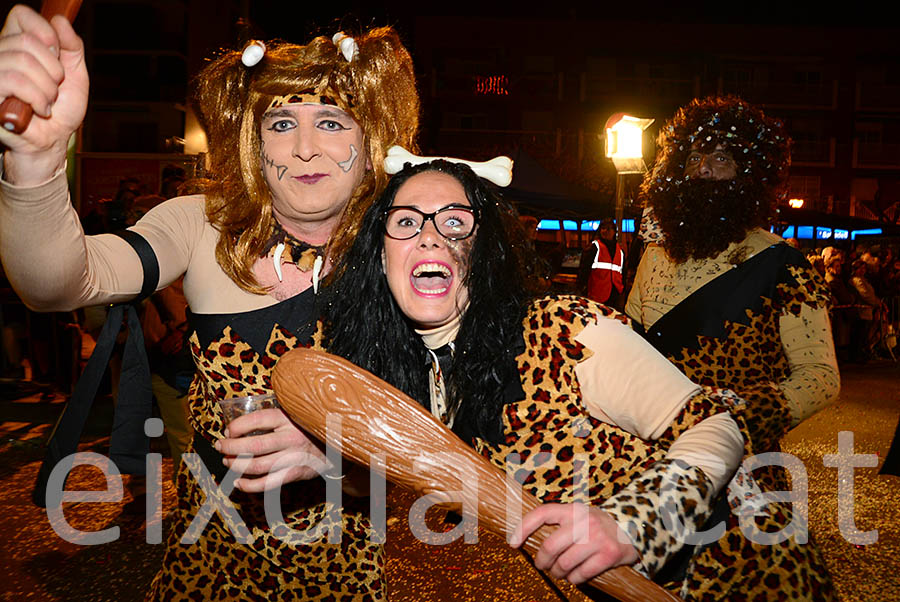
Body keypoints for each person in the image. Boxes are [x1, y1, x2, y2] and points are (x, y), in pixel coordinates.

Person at [0, 5, 419, 600]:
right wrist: (37, 162)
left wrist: (339, 451)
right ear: (254, 139)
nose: (303, 149)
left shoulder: (404, 246)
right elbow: (56, 285)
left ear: (369, 135)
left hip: (340, 573)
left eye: (331, 122)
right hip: (208, 568)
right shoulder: (200, 225)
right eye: (279, 124)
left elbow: (444, 412)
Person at [319, 157, 770, 599]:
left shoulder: (562, 331)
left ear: (484, 252)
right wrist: (323, 460)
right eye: (406, 222)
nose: (431, 238)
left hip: (704, 581)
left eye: (455, 222)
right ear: (381, 257)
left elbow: (715, 426)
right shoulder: (398, 374)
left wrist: (636, 524)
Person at [626, 96, 838, 598]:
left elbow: (820, 376)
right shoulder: (654, 256)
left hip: (741, 465)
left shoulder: (783, 264)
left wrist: (733, 419)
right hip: (648, 454)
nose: (704, 170)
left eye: (722, 159)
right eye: (696, 156)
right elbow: (632, 343)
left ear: (749, 174)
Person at [577, 218, 625, 309]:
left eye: (608, 228)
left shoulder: (620, 251)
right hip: (597, 295)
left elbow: (623, 272)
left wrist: (622, 290)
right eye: (603, 228)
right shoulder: (594, 247)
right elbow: (584, 270)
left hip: (615, 295)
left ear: (614, 231)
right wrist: (581, 288)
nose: (605, 231)